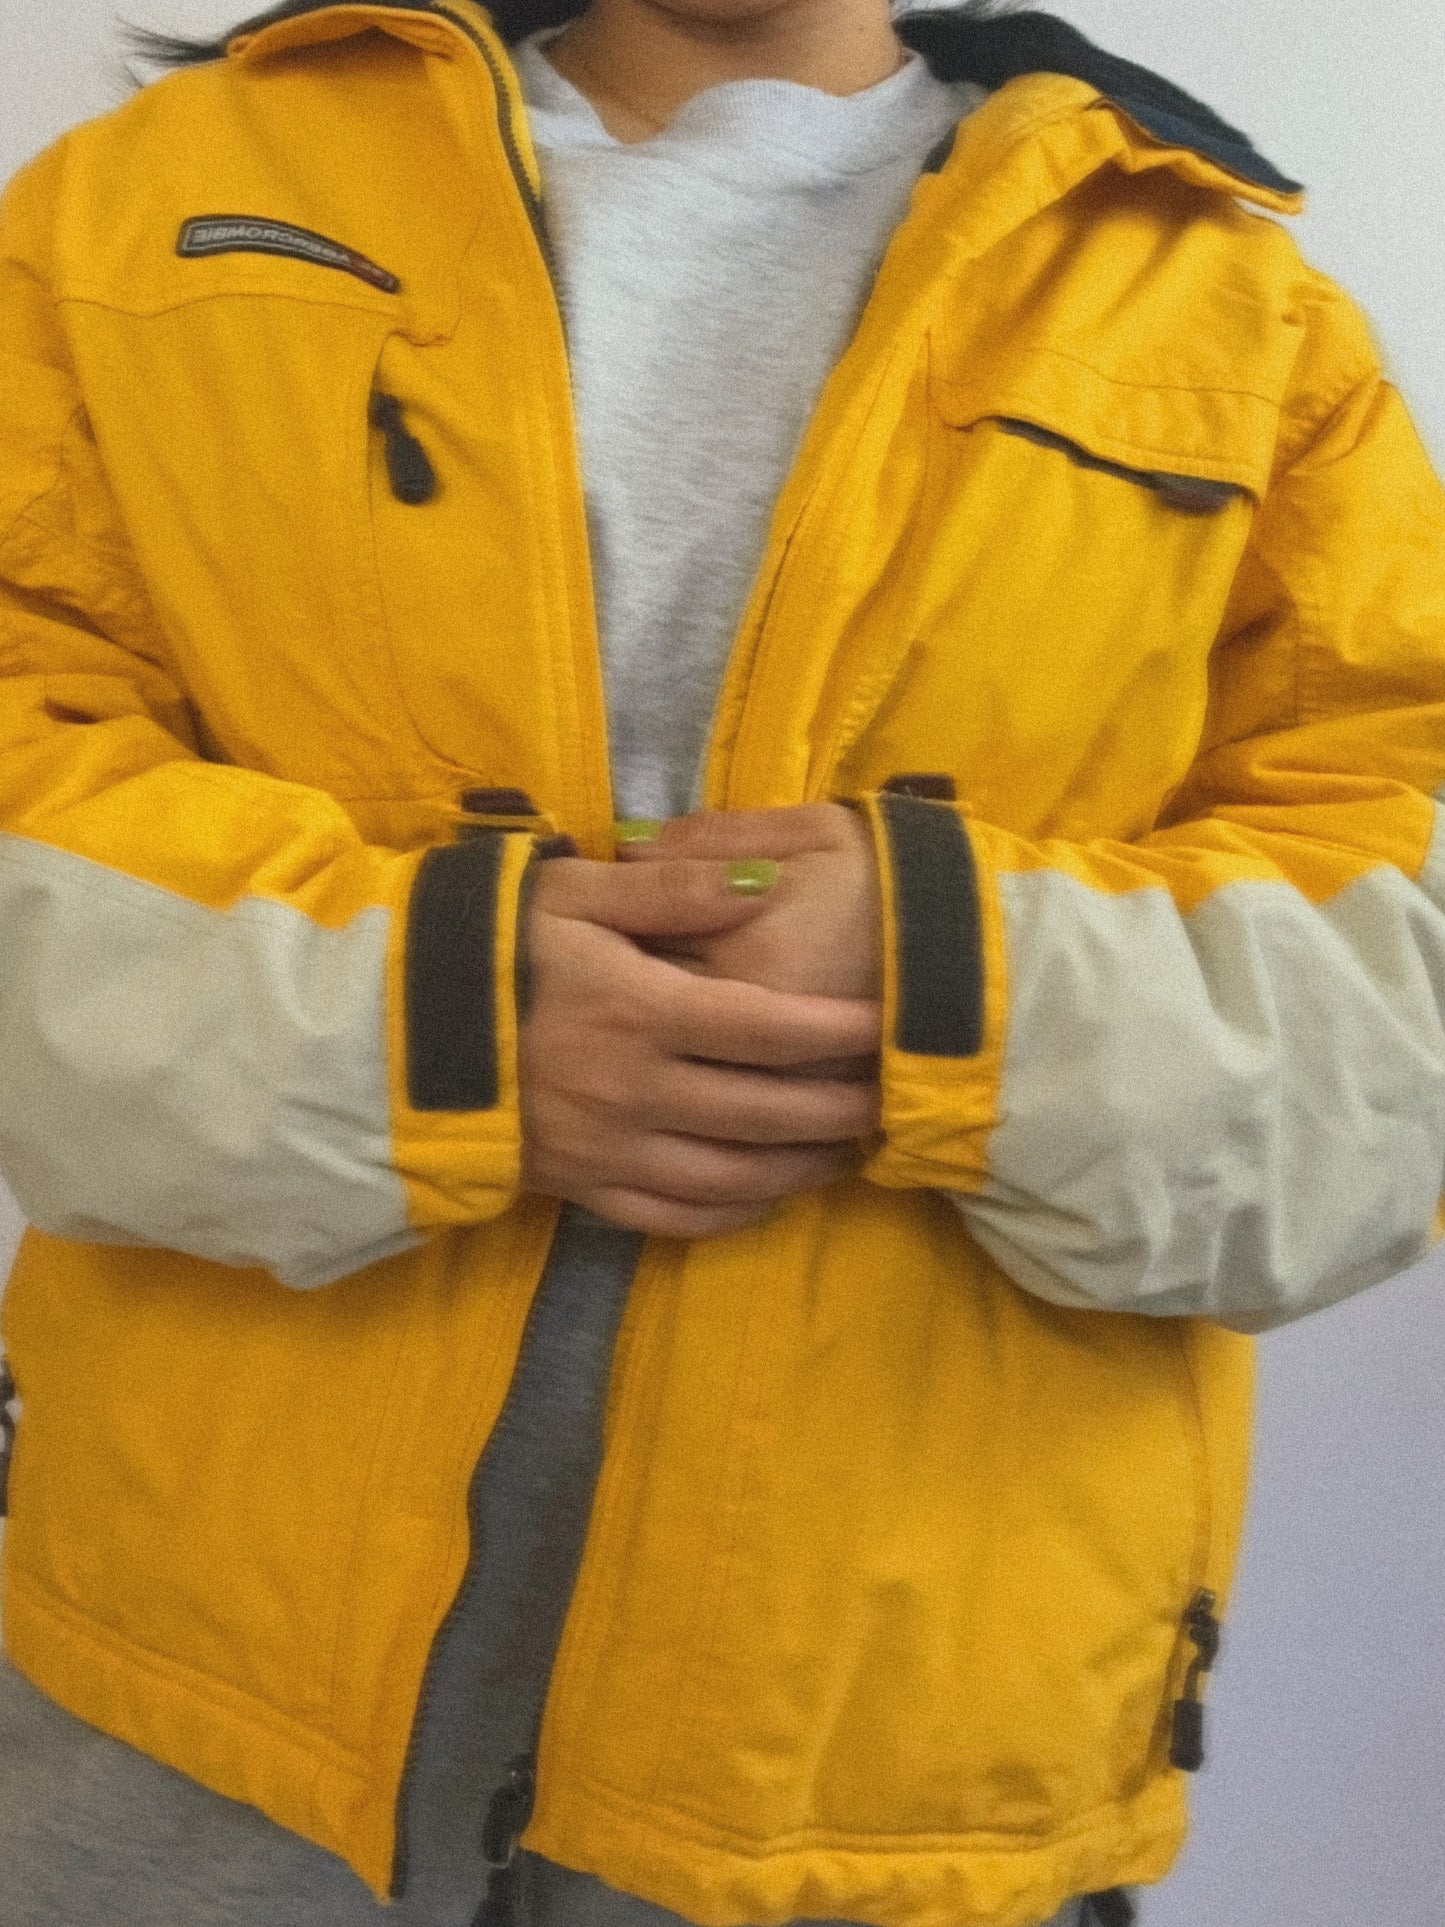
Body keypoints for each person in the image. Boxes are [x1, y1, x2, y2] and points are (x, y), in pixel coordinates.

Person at [0, 0, 1441, 1922]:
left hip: (887, 1754)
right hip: (184, 1690)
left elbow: (1390, 1038)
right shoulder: (144, 213)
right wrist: (434, 1026)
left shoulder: (1236, 313)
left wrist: (950, 980)